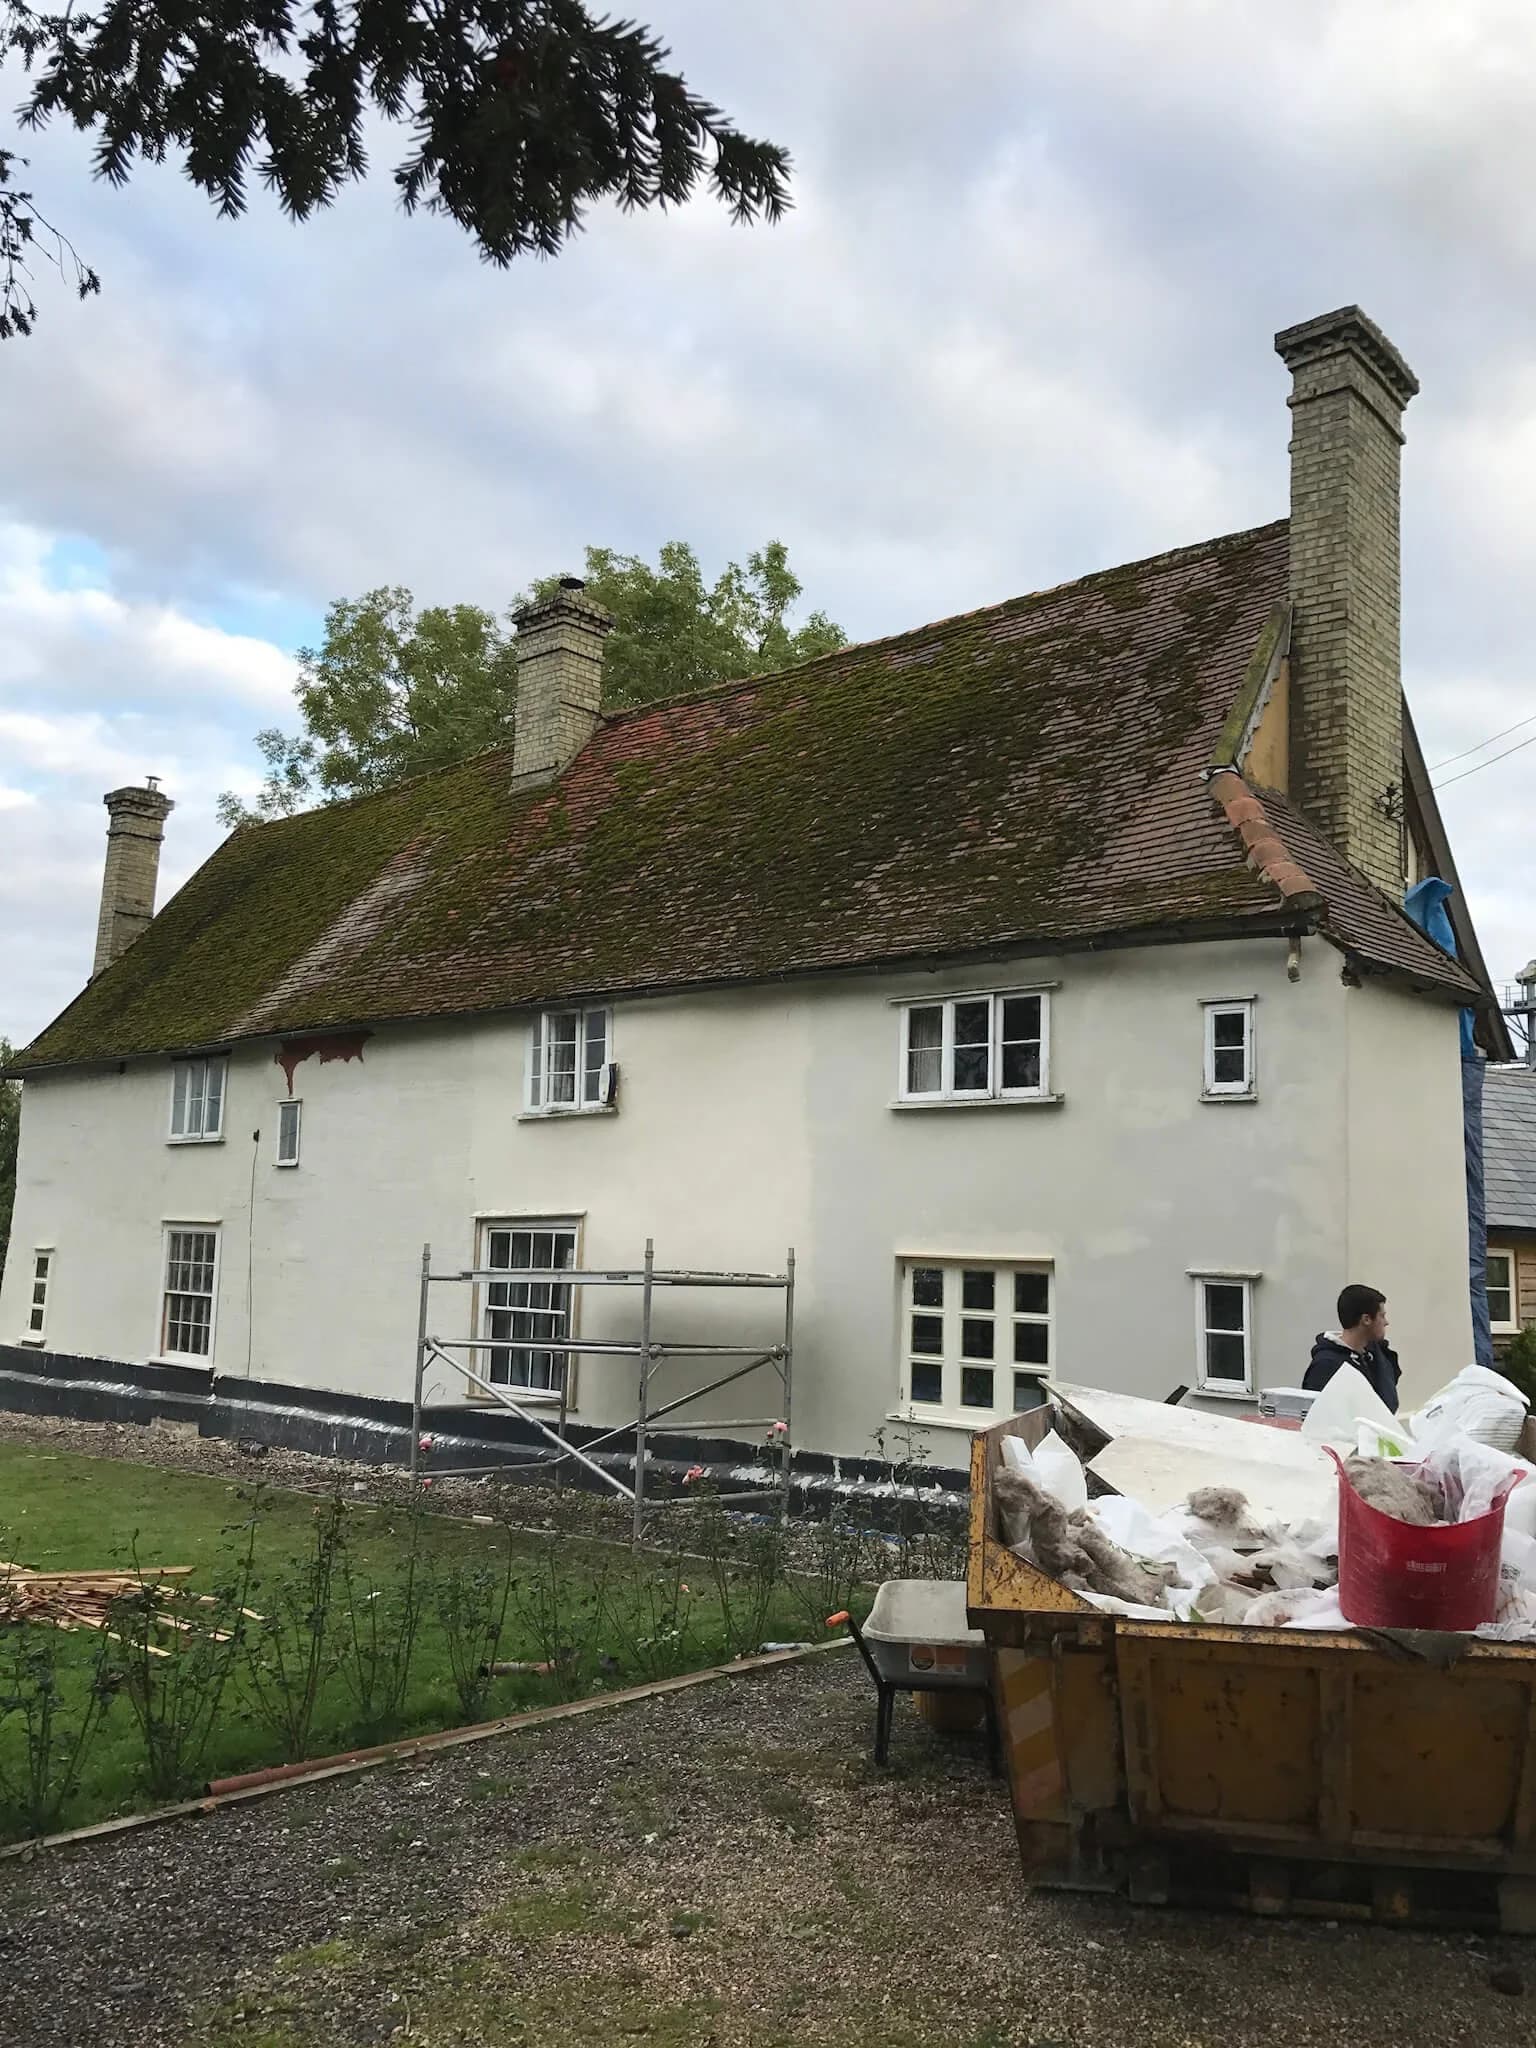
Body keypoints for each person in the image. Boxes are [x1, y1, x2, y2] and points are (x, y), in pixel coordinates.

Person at [1303, 1284, 1402, 1414]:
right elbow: (1319, 1417)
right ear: (1366, 1319)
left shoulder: (1374, 1356)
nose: (1386, 1322)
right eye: (1382, 1316)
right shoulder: (1326, 1366)